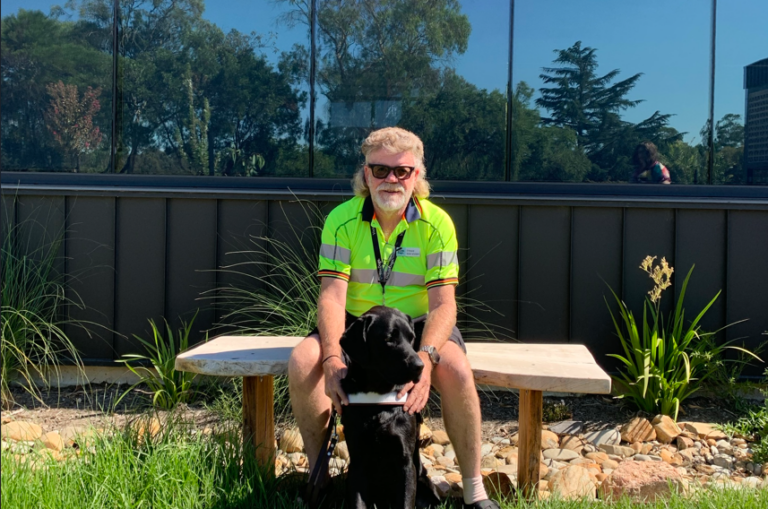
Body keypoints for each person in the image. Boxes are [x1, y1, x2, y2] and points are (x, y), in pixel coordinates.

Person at [288, 127, 500, 509]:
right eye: (380, 170)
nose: (391, 179)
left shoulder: (438, 224)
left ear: (416, 176)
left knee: (457, 370)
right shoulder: (340, 220)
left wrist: (430, 358)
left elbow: (443, 306)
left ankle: (474, 491)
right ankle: (320, 481)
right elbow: (332, 299)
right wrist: (334, 357)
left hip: (416, 324)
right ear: (365, 174)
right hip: (358, 324)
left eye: (402, 171)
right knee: (304, 361)